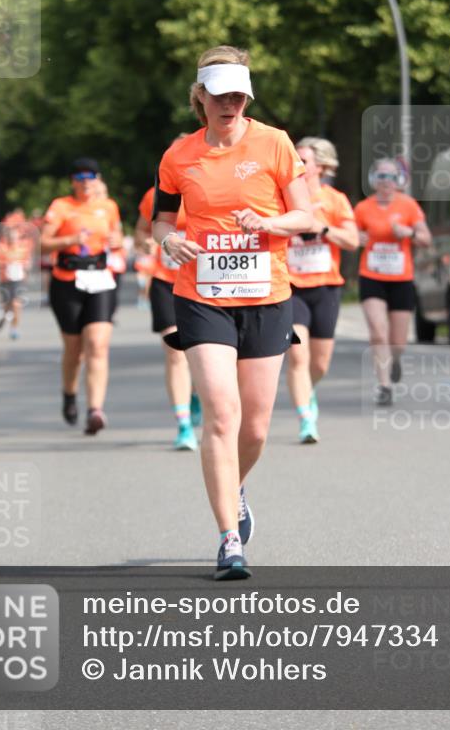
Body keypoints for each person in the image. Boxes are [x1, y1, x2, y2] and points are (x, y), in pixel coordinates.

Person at [152, 45, 312, 579]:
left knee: (257, 427)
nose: (230, 105)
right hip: (202, 294)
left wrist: (268, 223)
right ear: (200, 96)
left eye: (239, 96)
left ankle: (234, 488)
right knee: (221, 414)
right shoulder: (179, 156)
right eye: (220, 96)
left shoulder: (275, 143)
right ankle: (228, 541)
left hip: (267, 294)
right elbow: (161, 221)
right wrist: (169, 244)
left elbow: (306, 215)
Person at [41, 158, 121, 435]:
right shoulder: (61, 206)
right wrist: (69, 241)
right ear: (72, 181)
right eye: (80, 178)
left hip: (100, 278)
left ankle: (95, 410)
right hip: (67, 281)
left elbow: (118, 235)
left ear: (97, 180)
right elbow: (43, 243)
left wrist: (116, 241)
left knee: (98, 345)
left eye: (90, 177)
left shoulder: (108, 207)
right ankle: (69, 394)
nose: (85, 182)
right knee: (75, 351)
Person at [286, 137, 358, 443]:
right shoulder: (282, 197)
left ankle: (308, 390)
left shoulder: (335, 200)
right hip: (291, 287)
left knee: (319, 363)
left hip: (327, 287)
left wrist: (322, 228)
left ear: (321, 166)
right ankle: (306, 419)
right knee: (297, 358)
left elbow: (353, 241)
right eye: (295, 159)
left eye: (304, 160)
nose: (298, 165)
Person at [354, 157, 432, 405]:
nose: (385, 181)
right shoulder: (363, 208)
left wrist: (408, 232)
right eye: (381, 176)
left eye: (390, 176)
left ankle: (395, 359)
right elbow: (351, 235)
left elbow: (425, 238)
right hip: (372, 276)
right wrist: (358, 237)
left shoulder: (408, 206)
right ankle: (384, 385)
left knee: (398, 340)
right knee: (378, 332)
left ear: (398, 180)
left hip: (401, 279)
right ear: (373, 180)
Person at [135, 177, 200, 451]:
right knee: (175, 351)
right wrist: (146, 243)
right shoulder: (156, 194)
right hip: (165, 281)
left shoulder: (211, 187)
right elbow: (141, 230)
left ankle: (196, 392)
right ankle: (183, 424)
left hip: (204, 282)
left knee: (202, 354)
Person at [0, 225, 33, 340]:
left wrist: (25, 266)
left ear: (18, 237)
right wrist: (5, 265)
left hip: (18, 280)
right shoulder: (1, 248)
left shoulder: (22, 249)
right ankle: (4, 318)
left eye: (15, 237)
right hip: (5, 280)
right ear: (7, 237)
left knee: (16, 304)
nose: (13, 239)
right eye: (10, 237)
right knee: (7, 305)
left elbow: (27, 263)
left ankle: (14, 329)